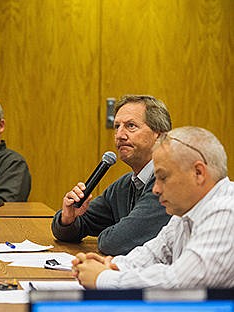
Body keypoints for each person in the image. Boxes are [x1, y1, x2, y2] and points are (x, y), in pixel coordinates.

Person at [72, 126, 234, 289]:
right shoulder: (185, 212)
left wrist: (103, 278)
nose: (156, 189)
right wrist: (112, 265)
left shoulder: (227, 210)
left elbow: (181, 283)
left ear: (198, 173)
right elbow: (152, 254)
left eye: (163, 177)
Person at [52, 95, 172, 255]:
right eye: (117, 127)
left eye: (131, 126)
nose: (120, 135)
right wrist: (68, 218)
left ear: (159, 135)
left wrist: (111, 232)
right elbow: (73, 228)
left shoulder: (168, 182)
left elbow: (117, 243)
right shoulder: (124, 185)